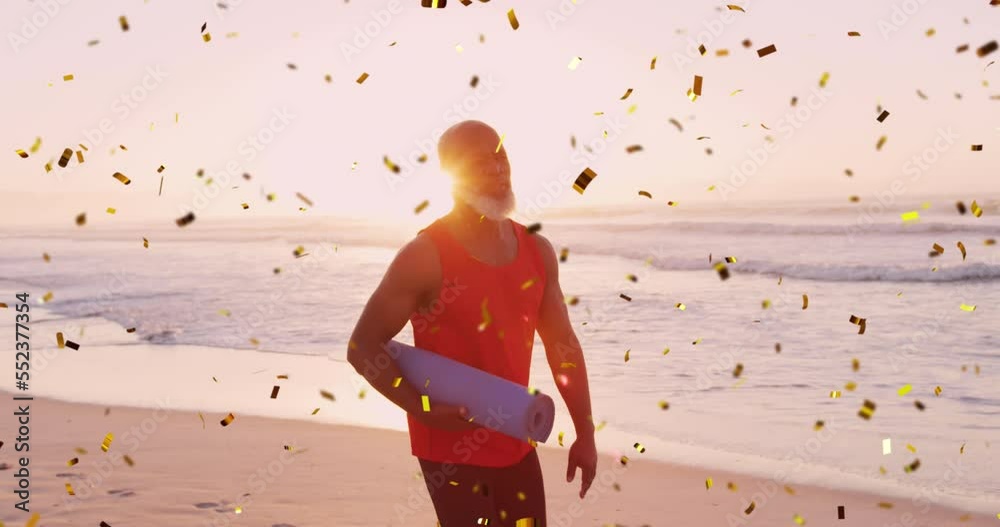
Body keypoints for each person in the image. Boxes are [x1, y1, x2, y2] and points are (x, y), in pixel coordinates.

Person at [347, 120, 598, 526]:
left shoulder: (537, 251)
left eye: (501, 156)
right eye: (482, 162)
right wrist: (422, 407)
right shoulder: (425, 255)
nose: (498, 169)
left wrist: (584, 432)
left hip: (517, 437)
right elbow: (363, 347)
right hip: (450, 453)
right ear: (453, 175)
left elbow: (562, 346)